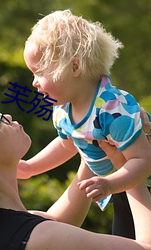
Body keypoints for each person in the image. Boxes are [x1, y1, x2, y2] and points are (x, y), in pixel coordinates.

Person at [0, 98, 151, 250]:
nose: (7, 116)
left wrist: (91, 137)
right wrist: (127, 165)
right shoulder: (39, 238)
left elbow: (57, 221)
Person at [19, 9, 151, 239]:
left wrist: (110, 183)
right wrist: (31, 167)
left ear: (74, 67)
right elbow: (67, 145)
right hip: (121, 189)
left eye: (39, 72)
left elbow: (143, 160)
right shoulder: (62, 109)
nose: (34, 83)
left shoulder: (112, 109)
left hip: (140, 186)